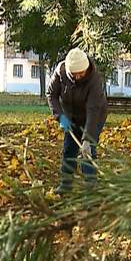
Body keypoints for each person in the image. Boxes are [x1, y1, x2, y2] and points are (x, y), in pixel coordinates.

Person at [47, 48, 108, 195]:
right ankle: (66, 184)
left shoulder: (94, 79)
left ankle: (90, 189)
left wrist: (87, 139)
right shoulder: (60, 72)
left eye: (82, 72)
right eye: (76, 74)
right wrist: (59, 115)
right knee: (69, 149)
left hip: (94, 116)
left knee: (88, 152)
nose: (80, 76)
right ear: (69, 72)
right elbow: (51, 94)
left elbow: (93, 110)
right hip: (71, 116)